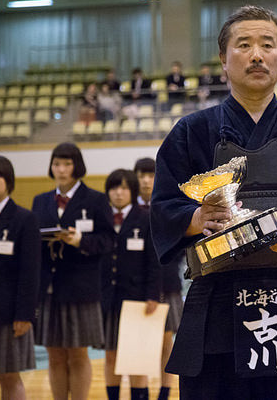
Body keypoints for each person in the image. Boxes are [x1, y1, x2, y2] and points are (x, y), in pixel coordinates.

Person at [150, 5, 277, 399]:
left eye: (268, 45)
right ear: (223, 61)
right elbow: (163, 206)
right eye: (243, 45)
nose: (257, 55)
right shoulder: (191, 131)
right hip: (216, 302)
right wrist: (196, 218)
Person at [32, 142, 114, 400]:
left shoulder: (96, 199)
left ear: (77, 166)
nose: (61, 169)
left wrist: (80, 241)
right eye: (57, 164)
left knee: (78, 354)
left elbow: (109, 241)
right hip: (49, 287)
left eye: (67, 164)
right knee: (54, 354)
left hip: (81, 288)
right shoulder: (40, 201)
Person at [0, 155, 41, 400]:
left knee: (9, 376)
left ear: (9, 181)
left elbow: (30, 271)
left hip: (7, 313)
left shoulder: (24, 219)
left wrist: (25, 314)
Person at [101, 169, 161, 400]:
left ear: (132, 191)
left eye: (124, 188)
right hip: (108, 299)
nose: (118, 193)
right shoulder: (101, 217)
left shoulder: (145, 217)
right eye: (114, 188)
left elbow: (154, 260)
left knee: (137, 358)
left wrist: (153, 294)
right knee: (110, 356)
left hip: (138, 298)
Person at [133, 157, 184, 400]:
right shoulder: (127, 210)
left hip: (168, 282)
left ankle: (165, 390)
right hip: (136, 287)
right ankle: (141, 391)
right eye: (140, 175)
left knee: (166, 341)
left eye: (150, 174)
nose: (145, 180)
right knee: (140, 342)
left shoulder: (168, 205)